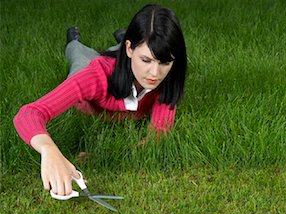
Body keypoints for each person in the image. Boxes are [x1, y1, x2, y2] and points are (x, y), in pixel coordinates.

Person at [14, 4, 187, 196]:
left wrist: (103, 155)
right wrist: (49, 149)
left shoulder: (168, 78)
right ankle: (74, 39)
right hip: (93, 69)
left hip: (127, 53)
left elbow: (158, 135)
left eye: (165, 62)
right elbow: (30, 113)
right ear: (130, 50)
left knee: (137, 54)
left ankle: (122, 38)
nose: (155, 73)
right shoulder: (96, 76)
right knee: (79, 55)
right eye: (146, 60)